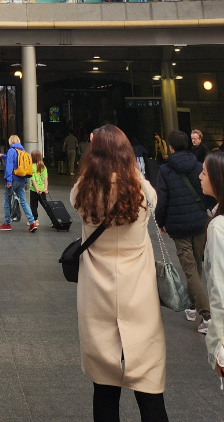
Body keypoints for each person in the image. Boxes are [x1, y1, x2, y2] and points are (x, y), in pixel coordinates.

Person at [72, 124, 168, 422]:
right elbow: (152, 199)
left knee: (104, 384)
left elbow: (81, 189)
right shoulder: (141, 190)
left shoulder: (82, 191)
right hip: (137, 293)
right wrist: (130, 167)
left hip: (98, 294)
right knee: (148, 382)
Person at [155, 129, 210, 331]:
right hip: (198, 222)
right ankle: (193, 305)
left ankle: (207, 315)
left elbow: (162, 201)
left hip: (178, 225)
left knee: (190, 269)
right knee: (195, 266)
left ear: (170, 147)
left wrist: (160, 221)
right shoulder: (197, 166)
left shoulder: (165, 170)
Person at [200, 150, 224, 378]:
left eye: (204, 172)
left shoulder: (217, 227)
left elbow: (219, 290)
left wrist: (219, 347)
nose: (200, 176)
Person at [0, 134, 37, 232]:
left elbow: (9, 166)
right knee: (23, 201)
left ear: (11, 142)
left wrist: (9, 181)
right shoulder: (22, 151)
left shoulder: (11, 151)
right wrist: (3, 156)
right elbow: (15, 162)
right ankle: (32, 222)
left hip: (13, 180)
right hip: (22, 180)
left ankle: (7, 224)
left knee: (7, 201)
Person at [29, 150, 48, 226]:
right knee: (45, 205)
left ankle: (35, 220)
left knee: (33, 205)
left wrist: (36, 189)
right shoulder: (43, 167)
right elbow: (45, 179)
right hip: (42, 189)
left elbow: (33, 179)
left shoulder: (32, 167)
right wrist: (45, 188)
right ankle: (53, 219)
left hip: (34, 190)